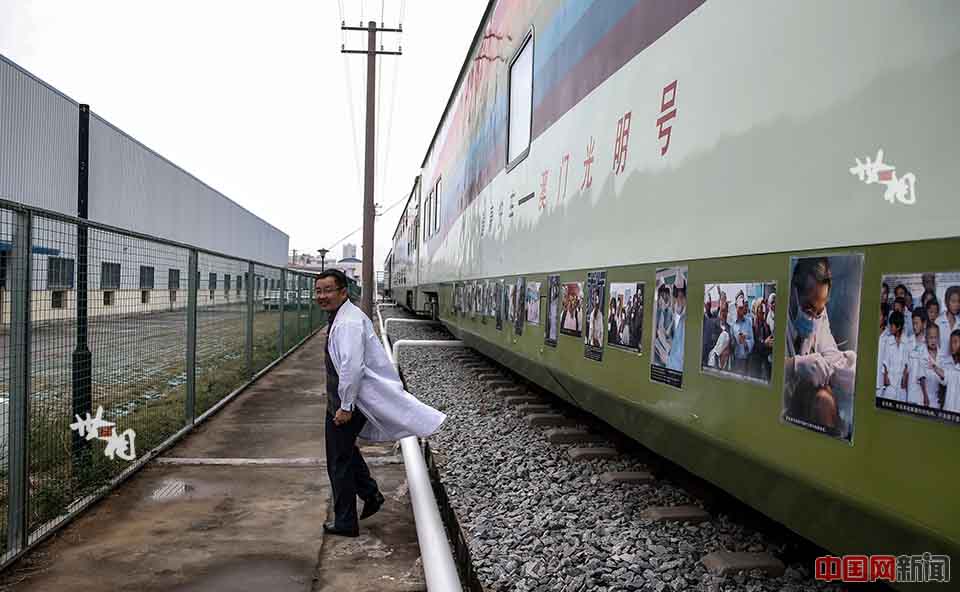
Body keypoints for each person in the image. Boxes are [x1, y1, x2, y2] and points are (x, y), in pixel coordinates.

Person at [316, 269, 446, 537]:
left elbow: (352, 368)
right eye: (318, 291)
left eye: (328, 290)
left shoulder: (347, 323)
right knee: (345, 452)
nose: (322, 296)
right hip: (347, 400)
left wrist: (345, 407)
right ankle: (370, 493)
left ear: (343, 292)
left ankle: (346, 522)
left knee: (338, 461)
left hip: (350, 402)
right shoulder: (342, 317)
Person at [784, 258, 856, 437]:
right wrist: (794, 365)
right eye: (808, 308)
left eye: (820, 310)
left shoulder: (819, 313)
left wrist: (847, 368)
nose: (814, 316)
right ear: (793, 292)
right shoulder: (776, 312)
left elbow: (831, 354)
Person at [878, 311, 910, 402]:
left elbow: (907, 364)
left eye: (892, 325)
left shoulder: (906, 342)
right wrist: (885, 378)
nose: (890, 328)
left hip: (901, 384)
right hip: (890, 382)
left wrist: (904, 379)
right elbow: (885, 362)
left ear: (899, 327)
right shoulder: (888, 340)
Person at [915, 323, 945, 408]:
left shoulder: (941, 355)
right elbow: (921, 377)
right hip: (923, 396)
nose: (933, 341)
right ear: (926, 338)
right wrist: (925, 396)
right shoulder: (922, 353)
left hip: (936, 397)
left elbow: (944, 377)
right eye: (930, 338)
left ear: (938, 338)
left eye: (935, 337)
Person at [729, 291, 755, 375]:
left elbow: (752, 340)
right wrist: (734, 341)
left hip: (747, 361)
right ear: (736, 306)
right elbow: (730, 344)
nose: (741, 309)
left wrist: (745, 343)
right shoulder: (731, 323)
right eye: (739, 306)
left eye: (742, 306)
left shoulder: (749, 321)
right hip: (735, 361)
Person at [665, 274, 687, 372]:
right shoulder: (675, 318)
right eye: (676, 297)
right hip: (671, 366)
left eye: (681, 297)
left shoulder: (685, 320)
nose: (679, 301)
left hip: (677, 368)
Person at [935, 286, 960, 365]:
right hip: (940, 365)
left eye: (959, 301)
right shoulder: (938, 322)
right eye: (953, 301)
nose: (957, 305)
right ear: (946, 302)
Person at [751, 297, 774, 380]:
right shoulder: (752, 326)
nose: (762, 310)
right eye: (760, 307)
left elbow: (769, 344)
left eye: (763, 308)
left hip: (766, 365)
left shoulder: (766, 326)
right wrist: (764, 343)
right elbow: (753, 346)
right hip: (755, 365)